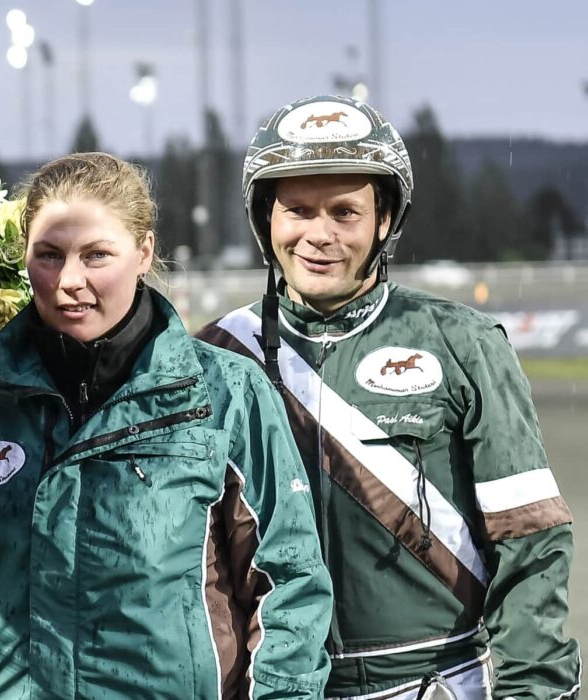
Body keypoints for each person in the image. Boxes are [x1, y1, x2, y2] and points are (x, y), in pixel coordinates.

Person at [196, 95, 580, 699]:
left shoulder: (463, 343)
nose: (318, 235)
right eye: (297, 210)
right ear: (266, 220)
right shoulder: (213, 357)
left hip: (440, 684)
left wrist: (536, 691)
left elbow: (528, 540)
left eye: (345, 213)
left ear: (384, 222)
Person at [0, 152, 333, 698]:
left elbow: (290, 586)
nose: (69, 281)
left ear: (144, 252)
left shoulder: (225, 394)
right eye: (48, 255)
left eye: (96, 255)